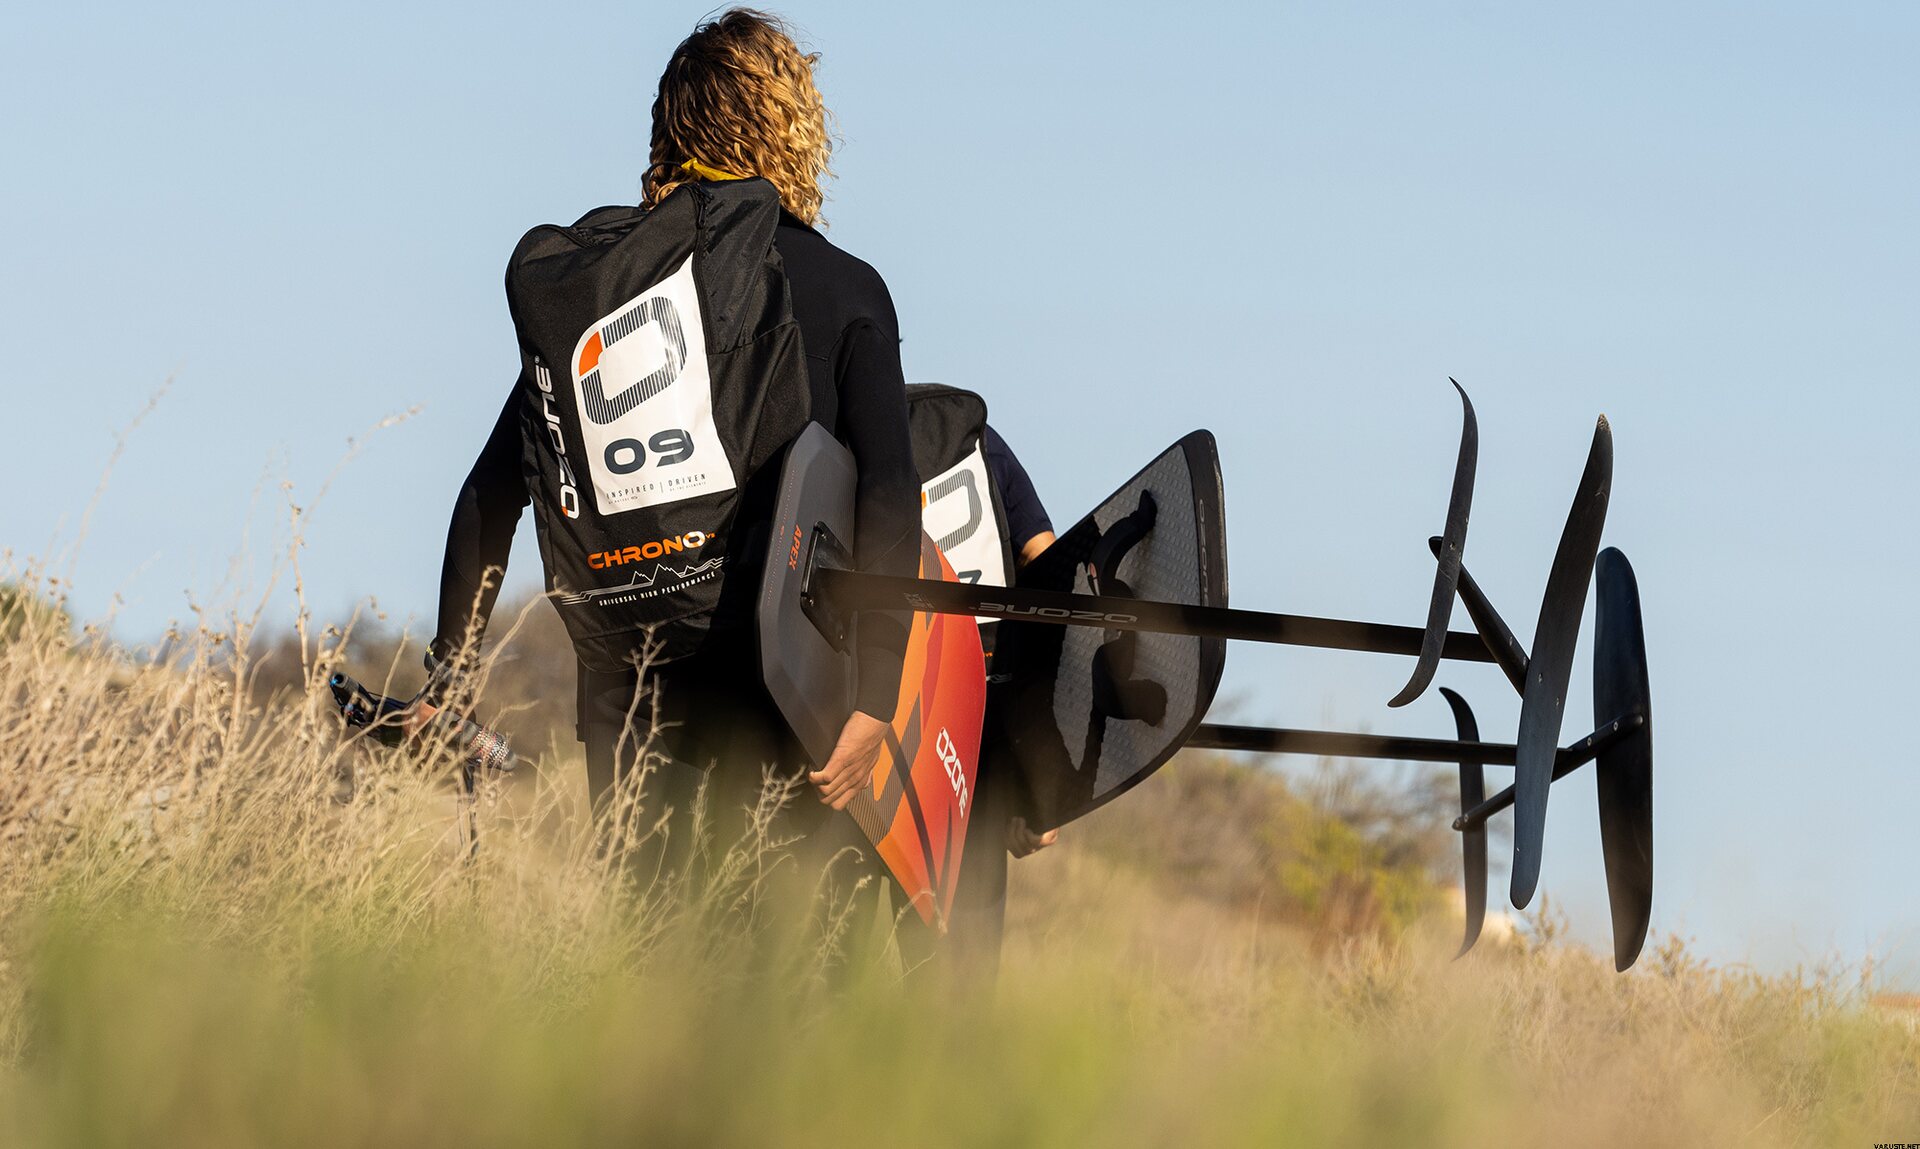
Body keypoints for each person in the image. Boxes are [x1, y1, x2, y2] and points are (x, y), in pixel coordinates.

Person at [430, 9, 918, 882]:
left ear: (671, 132)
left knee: (655, 960)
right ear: (793, 127)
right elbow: (887, 491)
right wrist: (878, 691)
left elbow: (491, 494)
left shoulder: (614, 302)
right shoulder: (845, 288)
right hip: (786, 700)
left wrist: (451, 675)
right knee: (785, 960)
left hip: (628, 705)